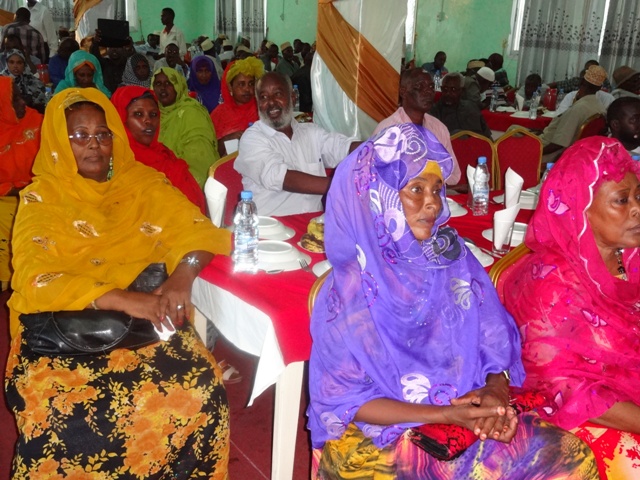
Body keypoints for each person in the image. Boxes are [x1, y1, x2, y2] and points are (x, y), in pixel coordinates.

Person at [308, 122, 599, 479]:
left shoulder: (452, 259)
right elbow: (348, 401)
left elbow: (493, 340)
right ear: (376, 195)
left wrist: (494, 395)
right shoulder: (350, 290)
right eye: (415, 189)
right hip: (381, 436)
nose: (433, 202)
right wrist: (448, 415)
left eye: (437, 189)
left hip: (462, 414)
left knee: (570, 458)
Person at [5, 86, 231, 478]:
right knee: (60, 414)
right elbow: (34, 276)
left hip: (146, 324)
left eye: (102, 133)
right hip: (61, 332)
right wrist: (123, 299)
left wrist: (183, 273)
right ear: (58, 141)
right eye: (80, 135)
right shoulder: (42, 197)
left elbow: (198, 229)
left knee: (202, 386)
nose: (93, 144)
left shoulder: (142, 183)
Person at [503, 136, 640, 479]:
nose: (637, 209)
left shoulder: (630, 259)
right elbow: (561, 386)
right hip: (578, 419)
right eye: (622, 200)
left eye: (638, 196)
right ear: (579, 207)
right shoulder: (551, 284)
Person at [235, 72, 360, 216]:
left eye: (278, 94)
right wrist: (342, 185)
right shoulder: (252, 138)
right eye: (263, 97)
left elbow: (342, 148)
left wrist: (377, 147)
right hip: (272, 224)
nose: (271, 102)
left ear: (293, 98)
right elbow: (280, 177)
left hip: (315, 223)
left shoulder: (311, 132)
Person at [111, 86, 206, 213]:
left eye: (153, 115)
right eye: (138, 114)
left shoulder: (164, 154)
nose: (148, 121)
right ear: (121, 118)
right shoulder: (116, 163)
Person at [373, 68, 461, 184]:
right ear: (403, 92)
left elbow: (453, 174)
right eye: (420, 87)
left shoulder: (439, 128)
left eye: (431, 87)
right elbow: (379, 179)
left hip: (437, 192)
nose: (428, 92)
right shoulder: (388, 130)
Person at [0, 77, 42, 291]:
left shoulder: (37, 121)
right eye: (14, 99)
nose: (22, 102)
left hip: (42, 192)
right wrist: (19, 191)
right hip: (7, 198)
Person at [152, 67, 219, 188]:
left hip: (188, 181)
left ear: (178, 86)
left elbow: (199, 158)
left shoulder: (191, 112)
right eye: (158, 84)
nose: (162, 88)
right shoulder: (151, 114)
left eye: (168, 83)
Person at [539, 65, 608, 156]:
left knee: (518, 134)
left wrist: (535, 152)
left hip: (550, 152)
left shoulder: (578, 108)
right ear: (599, 88)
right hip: (579, 154)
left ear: (581, 82)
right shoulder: (601, 108)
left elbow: (558, 144)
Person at [210, 56, 264, 157]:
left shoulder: (262, 108)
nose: (247, 89)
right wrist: (226, 139)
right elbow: (209, 150)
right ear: (230, 87)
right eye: (241, 84)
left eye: (251, 84)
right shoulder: (218, 114)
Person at [430, 72, 493, 138]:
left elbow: (488, 136)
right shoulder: (434, 112)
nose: (448, 93)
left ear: (462, 91)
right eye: (445, 89)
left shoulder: (472, 108)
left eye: (453, 89)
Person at [1, 49, 45, 113]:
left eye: (19, 62)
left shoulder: (31, 79)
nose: (15, 66)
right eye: (11, 62)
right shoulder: (2, 80)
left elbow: (41, 99)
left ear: (24, 64)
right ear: (7, 63)